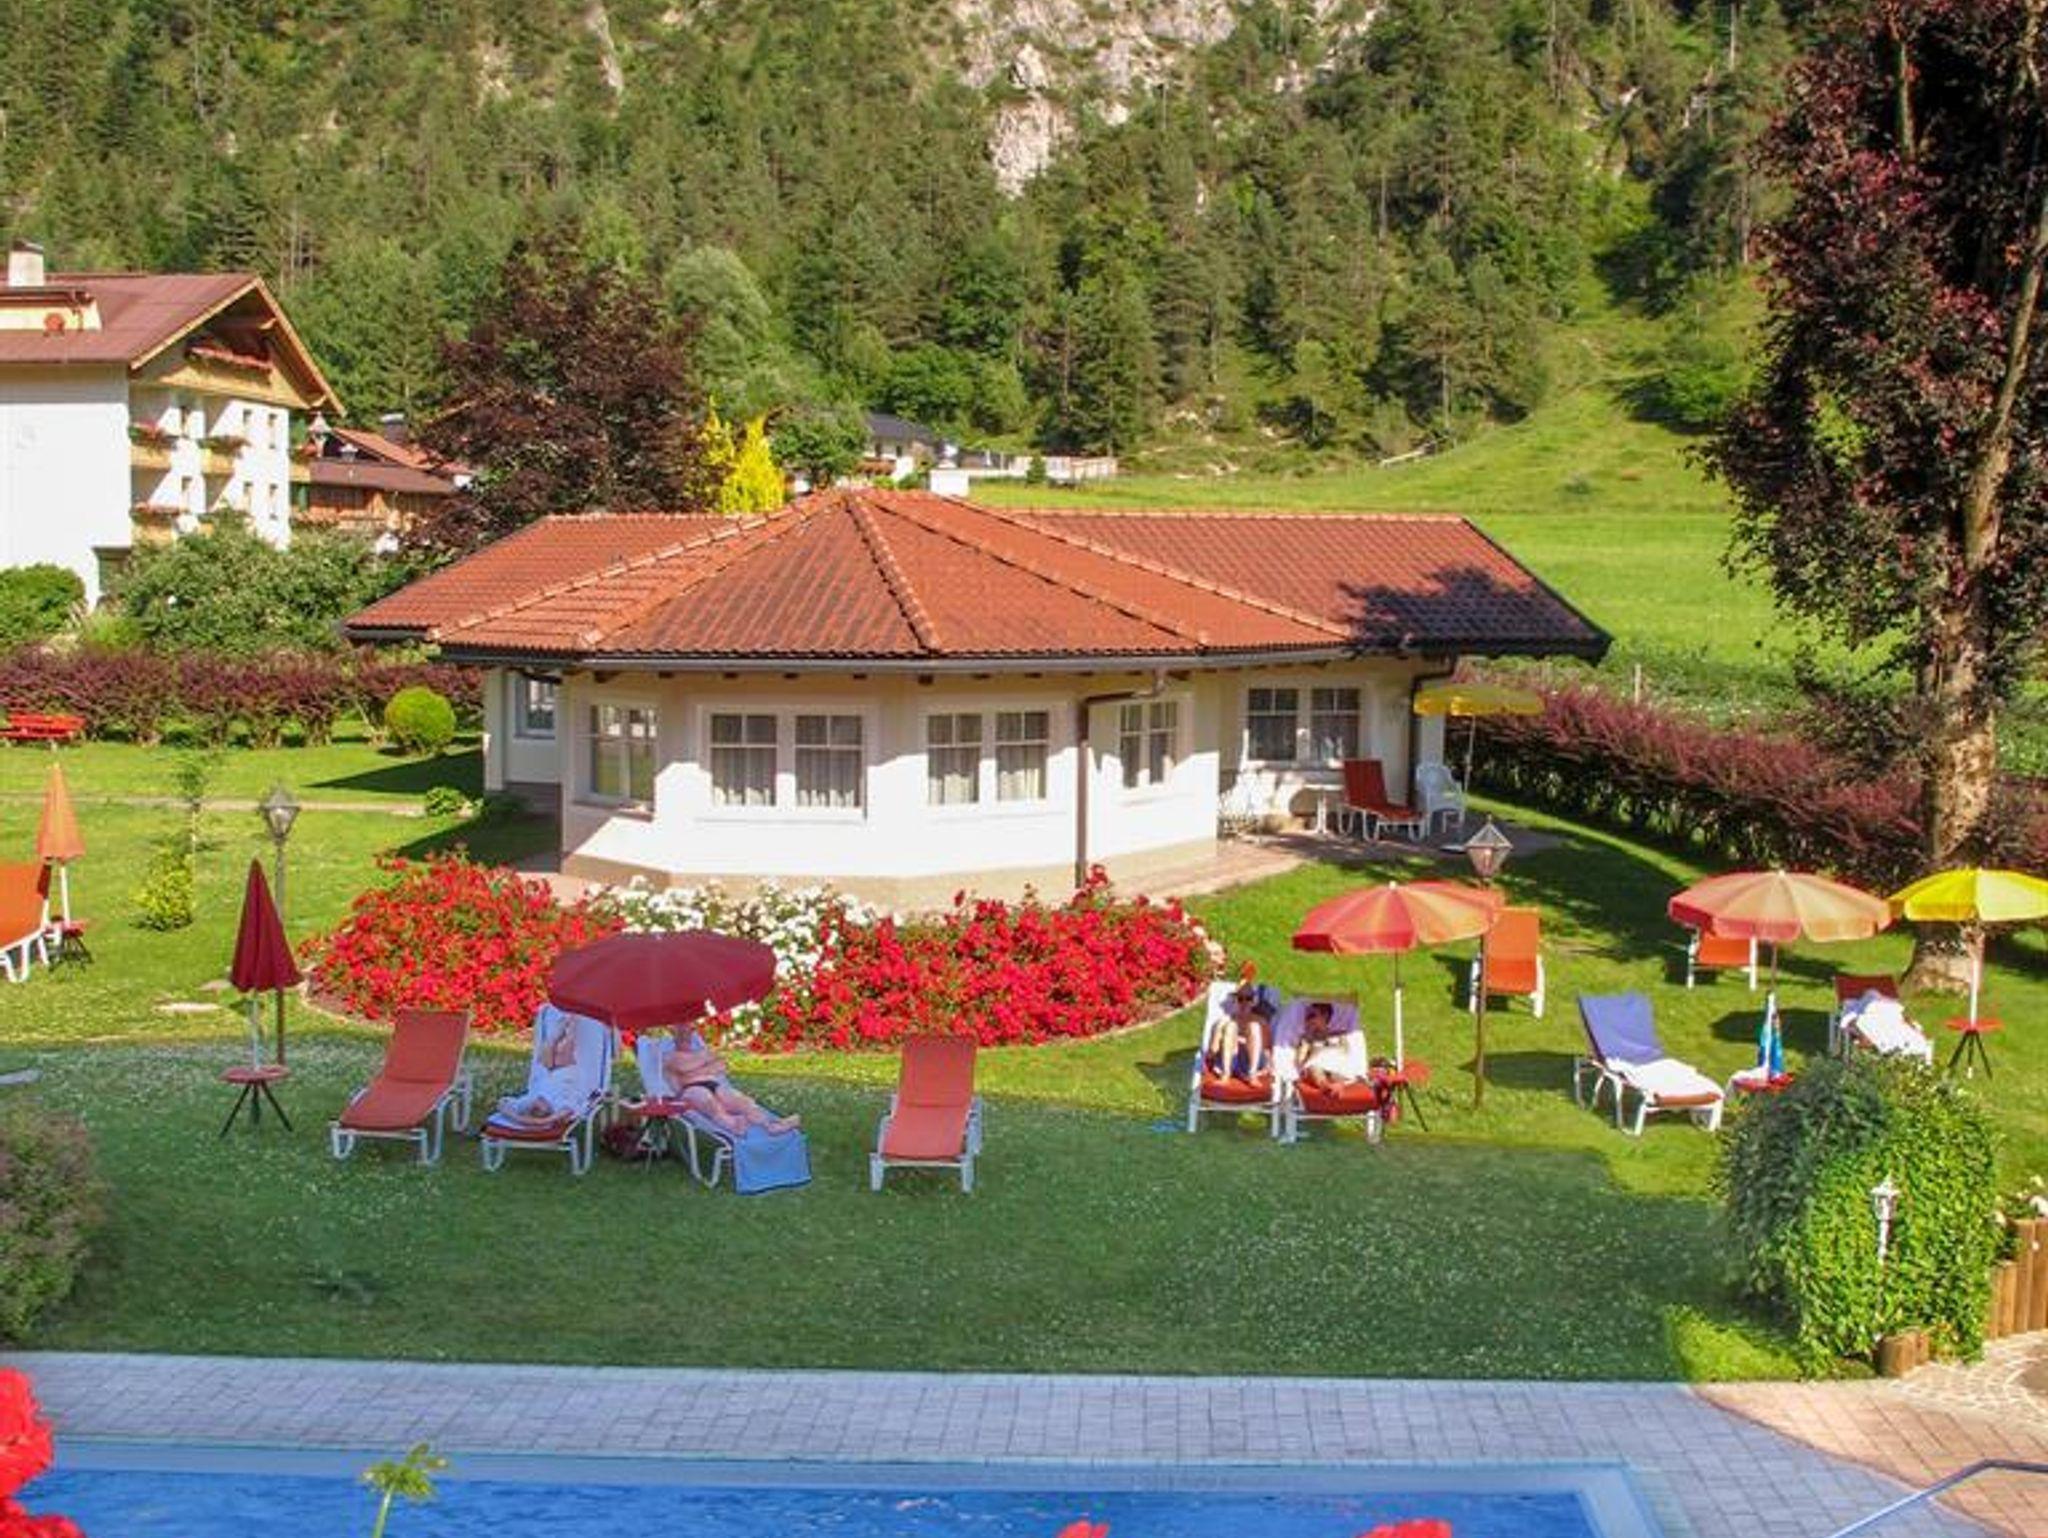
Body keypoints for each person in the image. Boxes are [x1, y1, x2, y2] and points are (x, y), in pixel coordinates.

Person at [661, 1030, 801, 1136]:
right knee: (709, 1103)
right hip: (690, 1089)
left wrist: (693, 1071)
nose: (685, 1037)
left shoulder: (699, 1052)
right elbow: (684, 1068)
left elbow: (721, 1066)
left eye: (688, 1033)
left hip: (713, 1084)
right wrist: (705, 1061)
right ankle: (733, 1125)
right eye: (681, 1034)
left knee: (743, 1101)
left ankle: (772, 1126)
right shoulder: (669, 1057)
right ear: (675, 1037)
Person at [498, 1006, 590, 1123]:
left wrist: (520, 1119)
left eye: (531, 1108)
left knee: (548, 1046)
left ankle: (558, 1032)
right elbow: (567, 1112)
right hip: (566, 1075)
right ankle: (572, 1023)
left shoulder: (529, 1100)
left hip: (546, 1071)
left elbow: (502, 1104)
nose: (536, 1103)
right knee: (562, 1050)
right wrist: (544, 1121)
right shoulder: (558, 1105)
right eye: (538, 1109)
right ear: (547, 1111)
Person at [1296, 1000, 1367, 1091]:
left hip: (1337, 1065)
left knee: (1338, 1072)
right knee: (1314, 1068)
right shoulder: (1307, 1039)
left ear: (1325, 1016)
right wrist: (1308, 1040)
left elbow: (1348, 1053)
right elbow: (1300, 1062)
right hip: (1317, 1065)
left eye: (1311, 1016)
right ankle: (1326, 1087)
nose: (1308, 1020)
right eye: (1306, 1017)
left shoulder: (1341, 1034)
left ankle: (1337, 1085)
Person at [1208, 984, 1272, 1081]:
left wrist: (1268, 1065)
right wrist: (1224, 1038)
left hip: (1250, 1062)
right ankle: (1226, 1072)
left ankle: (1252, 1074)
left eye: (1248, 999)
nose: (1244, 1003)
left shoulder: (1261, 1022)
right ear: (1235, 1001)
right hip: (1230, 1060)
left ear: (1253, 1001)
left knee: (1254, 1027)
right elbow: (1213, 1051)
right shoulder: (1225, 1021)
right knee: (1231, 1026)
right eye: (1240, 999)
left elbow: (1267, 1049)